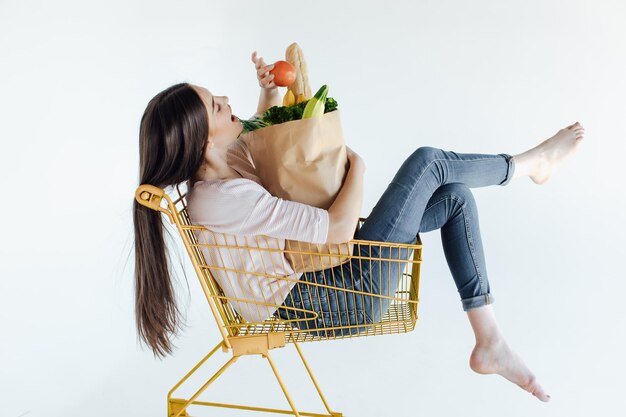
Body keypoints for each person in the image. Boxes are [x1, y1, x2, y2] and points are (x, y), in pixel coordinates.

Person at [133, 50, 585, 403]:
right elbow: (335, 232)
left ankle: (489, 341)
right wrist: (358, 167)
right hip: (336, 296)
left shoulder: (217, 177)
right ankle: (529, 164)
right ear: (204, 138)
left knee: (452, 198)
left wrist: (270, 93)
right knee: (427, 163)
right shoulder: (223, 199)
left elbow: (249, 139)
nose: (227, 102)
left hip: (324, 281)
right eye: (217, 105)